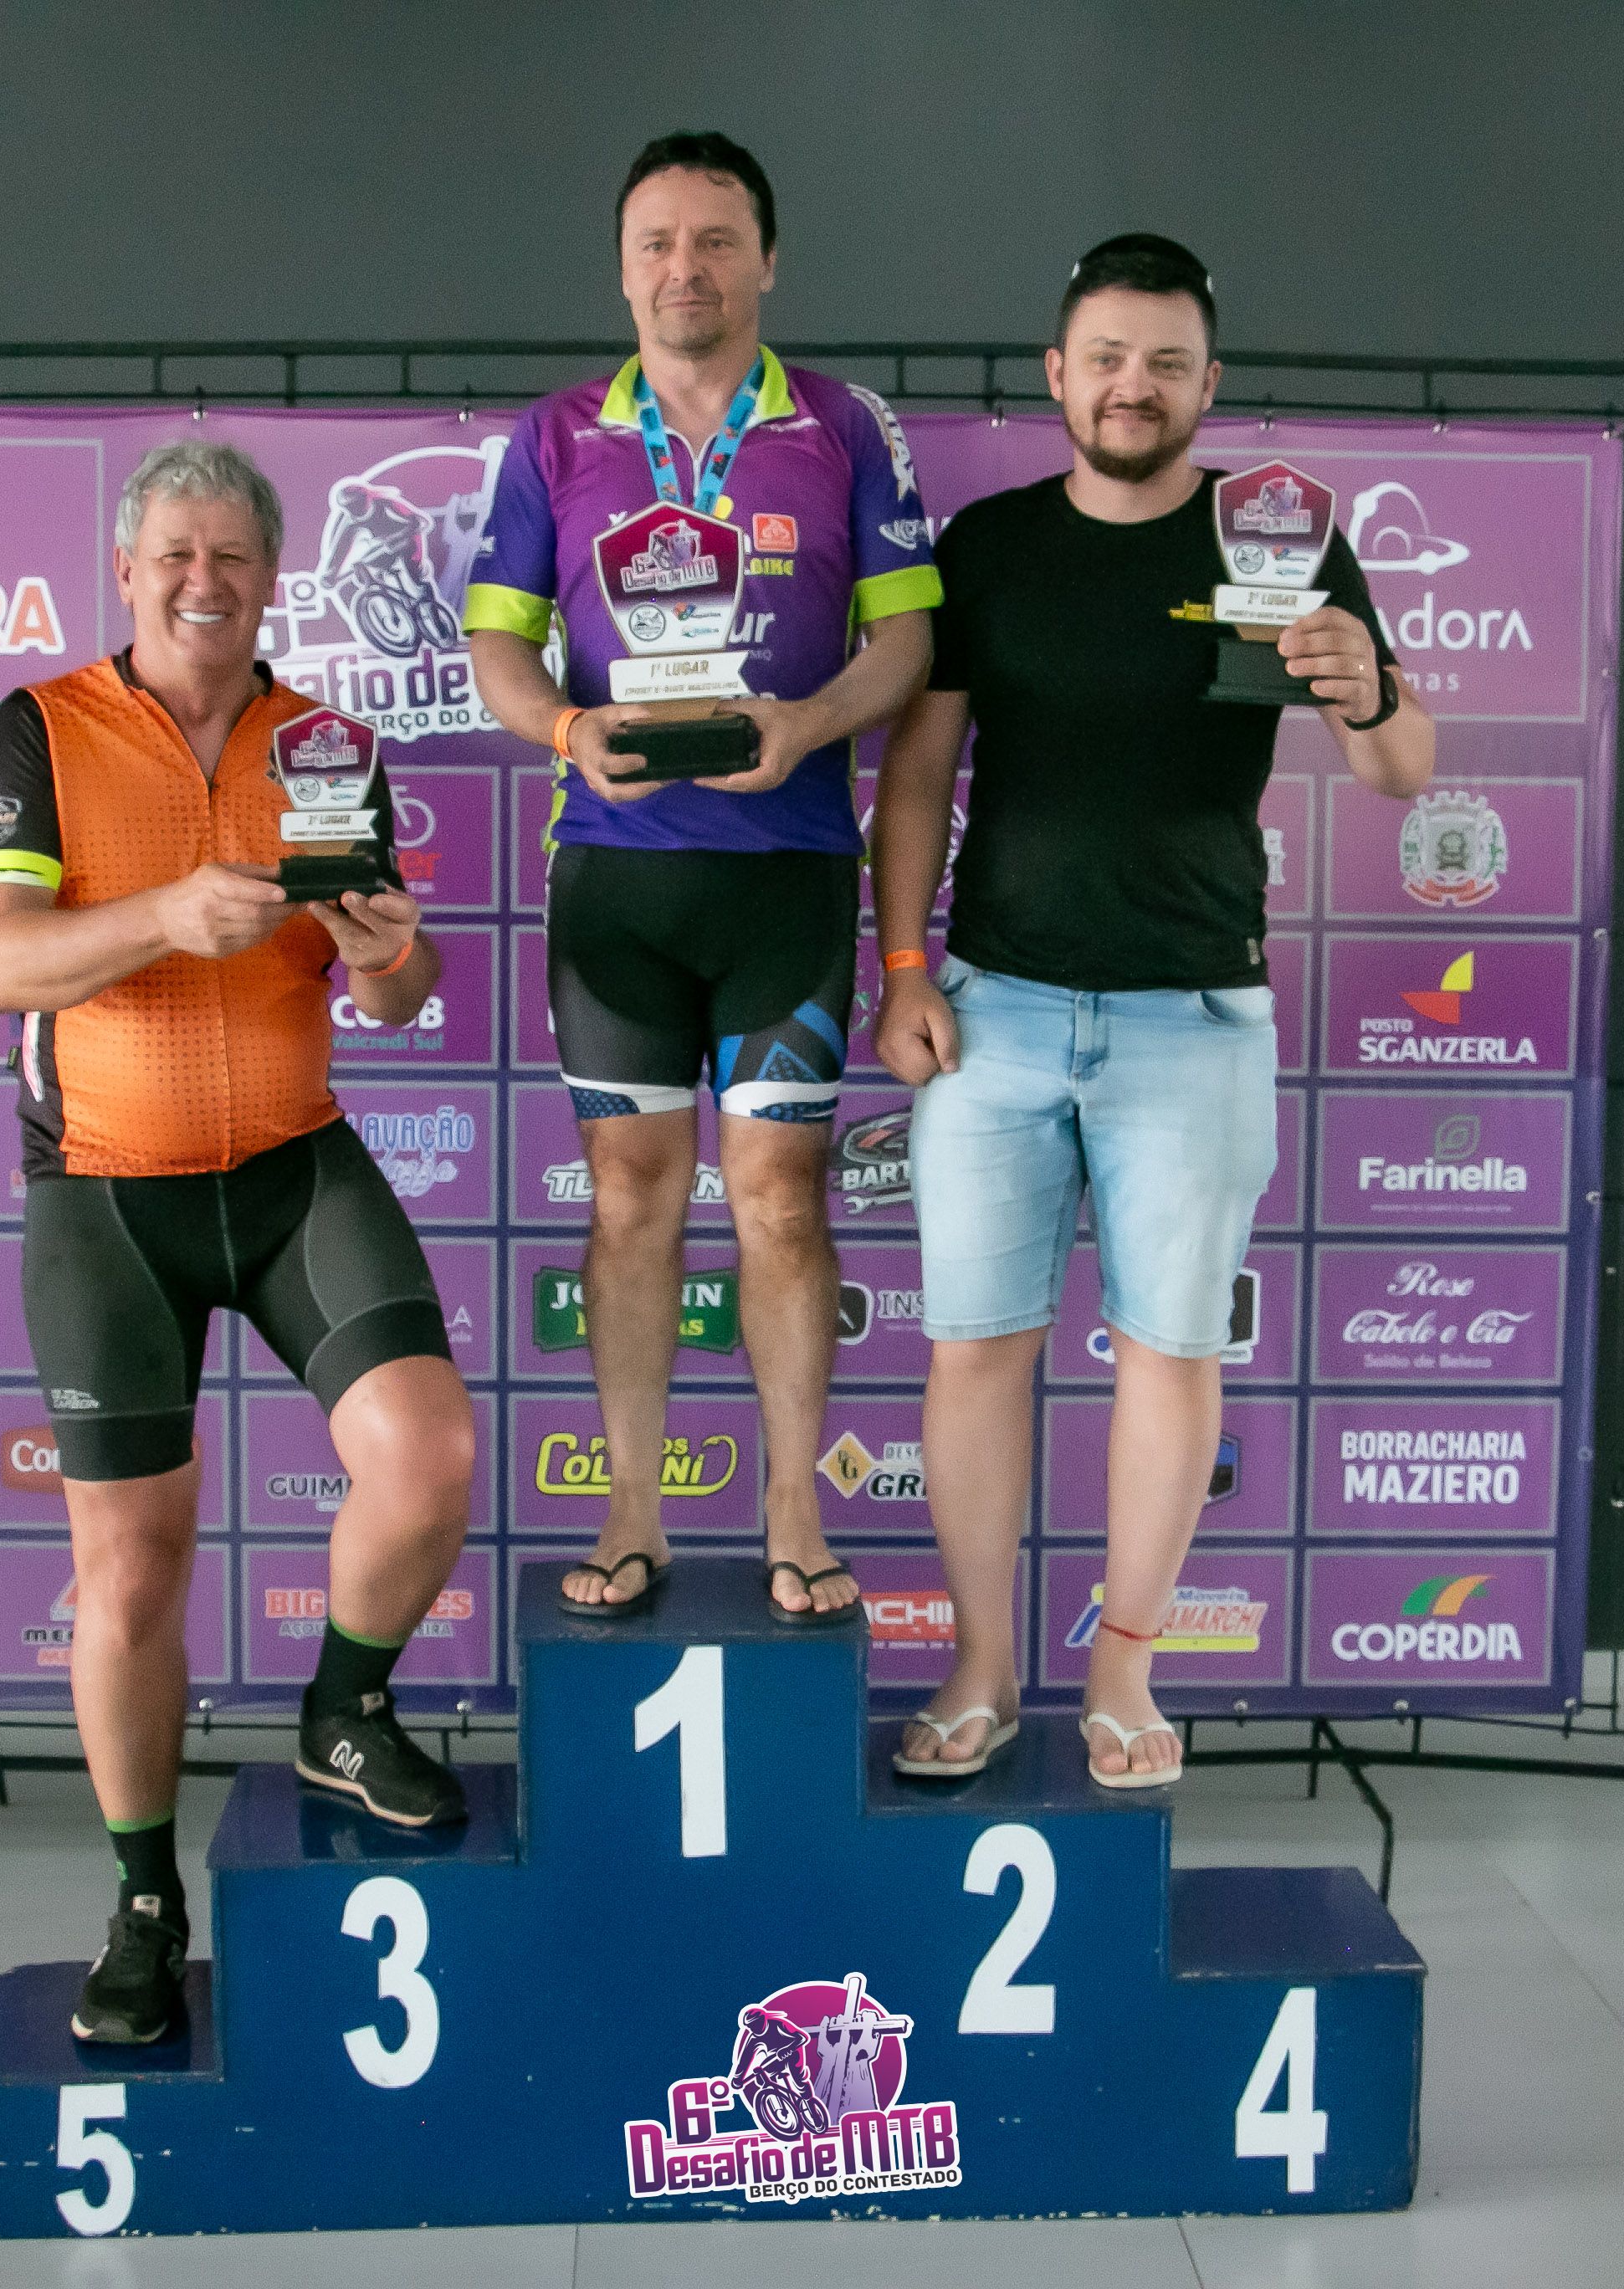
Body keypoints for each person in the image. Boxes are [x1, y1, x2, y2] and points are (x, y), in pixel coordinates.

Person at [872, 236, 1436, 1788]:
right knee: (973, 1354)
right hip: (993, 1013)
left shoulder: (1283, 537)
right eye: (1109, 358)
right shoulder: (988, 545)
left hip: (1196, 1019)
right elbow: (916, 776)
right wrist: (904, 969)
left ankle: (1124, 1670)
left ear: (1208, 384)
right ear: (1059, 375)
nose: (1136, 386)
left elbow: (1404, 771)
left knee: (1172, 1357)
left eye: (1167, 363)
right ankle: (983, 1669)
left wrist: (1368, 686)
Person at [0, 441, 479, 2047]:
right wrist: (163, 915)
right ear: (127, 570)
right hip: (104, 1190)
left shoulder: (326, 744)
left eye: (235, 556)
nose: (205, 581)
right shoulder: (42, 727)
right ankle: (142, 1901)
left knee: (429, 1459)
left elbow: (397, 993)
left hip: (292, 1167)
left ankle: (344, 1709)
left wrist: (391, 955)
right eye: (176, 554)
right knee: (133, 1566)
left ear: (273, 577)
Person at [462, 131, 938, 1624]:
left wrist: (807, 724)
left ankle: (796, 1511)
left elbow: (909, 644)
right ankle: (633, 1513)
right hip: (618, 887)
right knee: (629, 1205)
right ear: (623, 269)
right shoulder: (554, 437)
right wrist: (565, 729)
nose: (688, 268)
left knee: (782, 1206)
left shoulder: (846, 425)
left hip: (787, 878)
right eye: (658, 243)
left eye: (717, 239)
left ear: (767, 260)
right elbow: (496, 649)